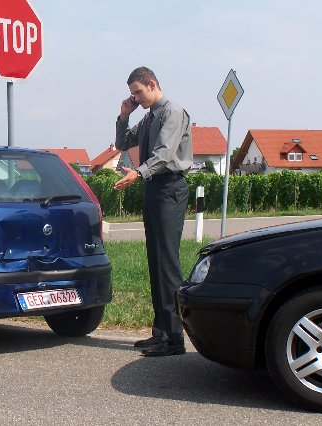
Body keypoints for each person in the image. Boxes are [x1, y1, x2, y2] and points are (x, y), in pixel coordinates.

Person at [114, 67, 193, 357]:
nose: (136, 97)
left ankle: (174, 337)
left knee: (168, 264)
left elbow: (164, 153)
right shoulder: (148, 117)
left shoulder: (172, 112)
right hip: (153, 188)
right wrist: (124, 116)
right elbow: (122, 143)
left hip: (169, 188)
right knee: (155, 261)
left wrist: (138, 173)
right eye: (133, 94)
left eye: (138, 92)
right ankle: (160, 332)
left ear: (152, 84)